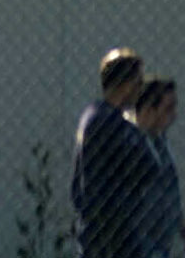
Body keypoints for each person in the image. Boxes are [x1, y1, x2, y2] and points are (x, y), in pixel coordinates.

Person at [67, 52, 148, 258]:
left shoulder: (95, 116)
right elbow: (140, 168)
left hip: (102, 231)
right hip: (111, 235)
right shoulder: (109, 123)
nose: (141, 90)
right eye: (138, 83)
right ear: (125, 84)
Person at [121, 81, 183, 258]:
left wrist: (178, 218)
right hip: (139, 244)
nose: (174, 115)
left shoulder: (159, 142)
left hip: (158, 240)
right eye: (168, 109)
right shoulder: (131, 145)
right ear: (149, 109)